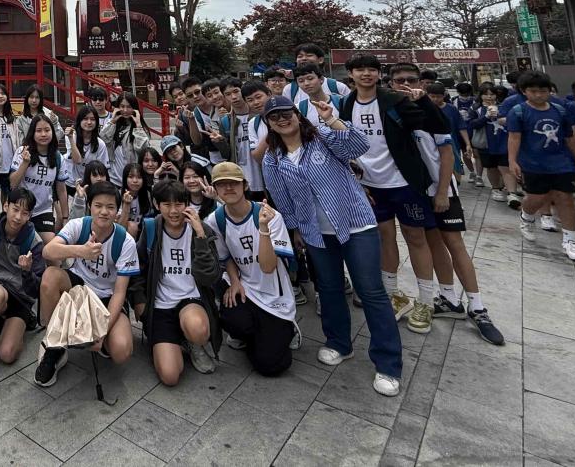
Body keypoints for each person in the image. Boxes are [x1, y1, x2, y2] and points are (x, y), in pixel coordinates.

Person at [261, 94, 404, 397]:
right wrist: (295, 229)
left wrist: (331, 119)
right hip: (315, 232)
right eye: (274, 117)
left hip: (355, 222)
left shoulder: (322, 138)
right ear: (269, 124)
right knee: (328, 287)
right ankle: (339, 343)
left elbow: (358, 146)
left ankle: (388, 363)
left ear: (297, 114)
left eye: (286, 113)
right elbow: (282, 198)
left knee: (371, 291)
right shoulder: (273, 159)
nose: (282, 120)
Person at [342, 59, 442, 335]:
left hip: (404, 182)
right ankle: (393, 294)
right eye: (360, 70)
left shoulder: (395, 100)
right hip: (370, 186)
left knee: (416, 238)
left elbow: (436, 125)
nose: (366, 74)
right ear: (351, 74)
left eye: (371, 69)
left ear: (379, 74)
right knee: (385, 238)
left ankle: (426, 301)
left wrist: (423, 102)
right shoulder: (346, 104)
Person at [412, 114, 506, 345]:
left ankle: (477, 307)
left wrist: (443, 191)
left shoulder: (432, 115)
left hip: (443, 190)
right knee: (434, 244)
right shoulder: (397, 113)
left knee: (455, 245)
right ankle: (449, 298)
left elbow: (448, 154)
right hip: (418, 192)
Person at [35, 181, 140, 387]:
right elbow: (48, 252)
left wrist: (103, 330)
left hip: (106, 296)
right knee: (50, 277)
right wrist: (81, 251)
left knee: (121, 350)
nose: (104, 212)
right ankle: (54, 345)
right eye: (98, 205)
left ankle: (97, 339)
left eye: (110, 207)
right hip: (79, 287)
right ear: (90, 205)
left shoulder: (125, 241)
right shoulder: (79, 225)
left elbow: (119, 292)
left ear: (117, 210)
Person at [208, 162, 298, 376]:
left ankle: (285, 329)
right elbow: (226, 257)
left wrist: (264, 228)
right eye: (222, 184)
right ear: (215, 189)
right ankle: (255, 334)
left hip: (274, 295)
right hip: (246, 287)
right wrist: (235, 281)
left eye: (233, 183)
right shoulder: (215, 220)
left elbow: (268, 267)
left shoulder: (269, 215)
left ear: (245, 185)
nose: (228, 188)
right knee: (233, 319)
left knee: (271, 365)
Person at [133, 178, 221, 384]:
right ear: (157, 205)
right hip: (161, 304)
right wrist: (139, 301)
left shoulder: (200, 229)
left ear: (187, 204)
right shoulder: (151, 228)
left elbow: (211, 276)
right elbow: (137, 268)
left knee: (198, 329)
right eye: (167, 204)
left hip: (191, 300)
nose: (173, 211)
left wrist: (200, 236)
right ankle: (175, 339)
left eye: (179, 204)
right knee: (170, 376)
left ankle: (194, 342)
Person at [509, 71, 575, 262]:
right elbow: (514, 138)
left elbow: (569, 137)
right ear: (524, 91)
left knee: (565, 199)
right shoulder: (518, 112)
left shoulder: (560, 110)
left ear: (550, 90)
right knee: (537, 198)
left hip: (562, 163)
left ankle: (570, 241)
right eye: (533, 91)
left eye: (543, 91)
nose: (538, 95)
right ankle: (527, 216)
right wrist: (512, 161)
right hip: (533, 164)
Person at [0, 187, 46, 363]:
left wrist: (27, 272)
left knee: (6, 355)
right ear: (6, 206)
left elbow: (37, 289)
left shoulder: (34, 242)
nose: (18, 217)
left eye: (25, 213)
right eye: (15, 209)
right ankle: (3, 317)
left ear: (30, 216)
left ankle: (19, 322)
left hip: (22, 298)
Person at [9, 114, 69, 242]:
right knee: (18, 245)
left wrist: (65, 217)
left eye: (47, 130)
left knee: (51, 248)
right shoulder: (22, 151)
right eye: (39, 131)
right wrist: (25, 163)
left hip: (43, 210)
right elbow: (13, 183)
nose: (43, 134)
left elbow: (61, 190)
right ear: (32, 133)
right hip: (21, 208)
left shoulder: (58, 157)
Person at [470, 83, 510, 200]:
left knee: (505, 166)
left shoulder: (503, 107)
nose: (489, 97)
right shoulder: (476, 108)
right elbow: (472, 124)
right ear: (480, 95)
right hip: (485, 143)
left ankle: (508, 188)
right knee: (491, 167)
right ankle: (495, 188)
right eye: (485, 94)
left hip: (502, 142)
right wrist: (486, 117)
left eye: (492, 94)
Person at [101, 92, 148, 186]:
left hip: (132, 178)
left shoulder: (140, 128)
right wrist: (112, 121)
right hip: (113, 177)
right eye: (122, 106)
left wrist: (138, 125)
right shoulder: (112, 124)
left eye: (129, 107)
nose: (125, 110)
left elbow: (142, 149)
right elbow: (103, 140)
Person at [0, 83, 20, 218]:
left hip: (10, 166)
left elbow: (17, 141)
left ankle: (5, 225)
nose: (0, 96)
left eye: (3, 94)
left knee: (7, 202)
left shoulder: (12, 118)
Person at [284, 43, 350, 104]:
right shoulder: (289, 90)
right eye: (300, 56)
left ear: (320, 60)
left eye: (309, 55)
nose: (304, 58)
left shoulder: (338, 87)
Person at [16, 85, 65, 155]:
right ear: (27, 98)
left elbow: (58, 136)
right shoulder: (21, 118)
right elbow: (20, 141)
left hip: (47, 153)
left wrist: (54, 123)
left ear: (41, 99)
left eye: (37, 97)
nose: (34, 100)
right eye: (31, 97)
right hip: (29, 154)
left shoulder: (49, 114)